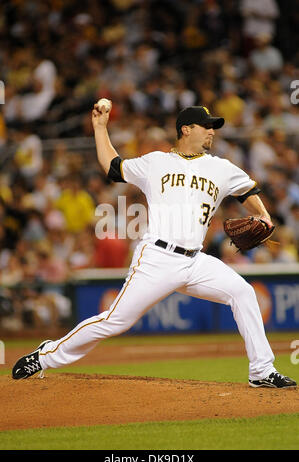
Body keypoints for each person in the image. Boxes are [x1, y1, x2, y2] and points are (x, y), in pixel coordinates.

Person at [12, 104, 296, 389]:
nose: (212, 131)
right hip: (157, 258)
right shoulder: (156, 162)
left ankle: (261, 370)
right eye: (206, 126)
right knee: (115, 321)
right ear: (186, 129)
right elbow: (113, 166)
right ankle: (46, 355)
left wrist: (263, 215)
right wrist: (100, 129)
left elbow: (248, 190)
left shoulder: (221, 167)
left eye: (213, 127)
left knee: (243, 293)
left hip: (196, 261)